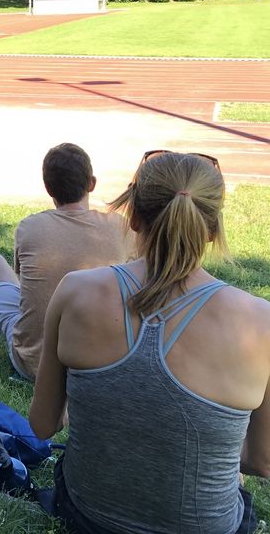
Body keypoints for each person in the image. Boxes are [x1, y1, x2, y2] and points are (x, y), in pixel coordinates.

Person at [29, 151, 269, 533]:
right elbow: (262, 462)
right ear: (212, 227)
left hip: (87, 517)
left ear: (134, 217)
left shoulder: (75, 290)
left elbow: (42, 425)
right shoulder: (261, 321)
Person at [0, 143, 129, 380]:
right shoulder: (120, 227)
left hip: (33, 365)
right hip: (102, 364)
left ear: (49, 188)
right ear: (91, 183)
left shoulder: (30, 226)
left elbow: (22, 283)